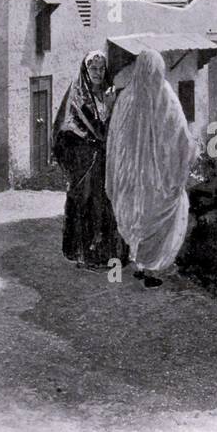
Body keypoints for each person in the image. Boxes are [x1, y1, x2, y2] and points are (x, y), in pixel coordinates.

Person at [105, 47, 196, 288]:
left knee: (137, 217)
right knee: (156, 217)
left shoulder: (126, 99)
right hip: (155, 181)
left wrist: (118, 173)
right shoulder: (164, 96)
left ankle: (140, 263)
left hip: (132, 180)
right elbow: (182, 138)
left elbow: (115, 142)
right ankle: (151, 267)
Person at [52, 50, 126, 270]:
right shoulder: (77, 96)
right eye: (93, 68)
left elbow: (115, 126)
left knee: (108, 206)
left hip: (106, 162)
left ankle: (110, 255)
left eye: (101, 68)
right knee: (86, 206)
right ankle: (86, 255)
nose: (98, 72)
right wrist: (87, 146)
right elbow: (66, 128)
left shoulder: (109, 93)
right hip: (86, 164)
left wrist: (112, 109)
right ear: (86, 70)